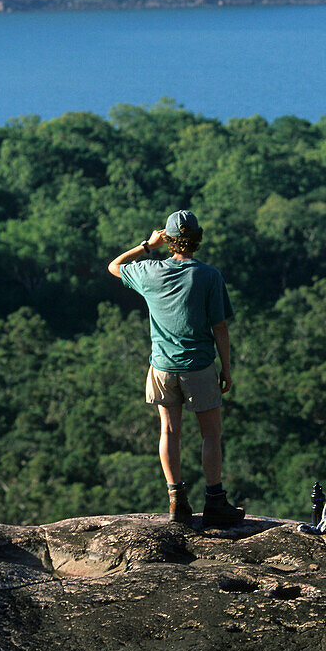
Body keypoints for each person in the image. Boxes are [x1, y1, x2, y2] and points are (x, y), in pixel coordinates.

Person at [108, 210, 244, 529]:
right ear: (197, 239)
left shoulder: (150, 271)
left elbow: (114, 266)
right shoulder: (208, 275)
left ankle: (176, 500)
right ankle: (214, 501)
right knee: (210, 433)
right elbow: (220, 327)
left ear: (168, 240)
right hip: (198, 366)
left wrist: (147, 245)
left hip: (162, 367)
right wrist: (226, 368)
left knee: (169, 431)